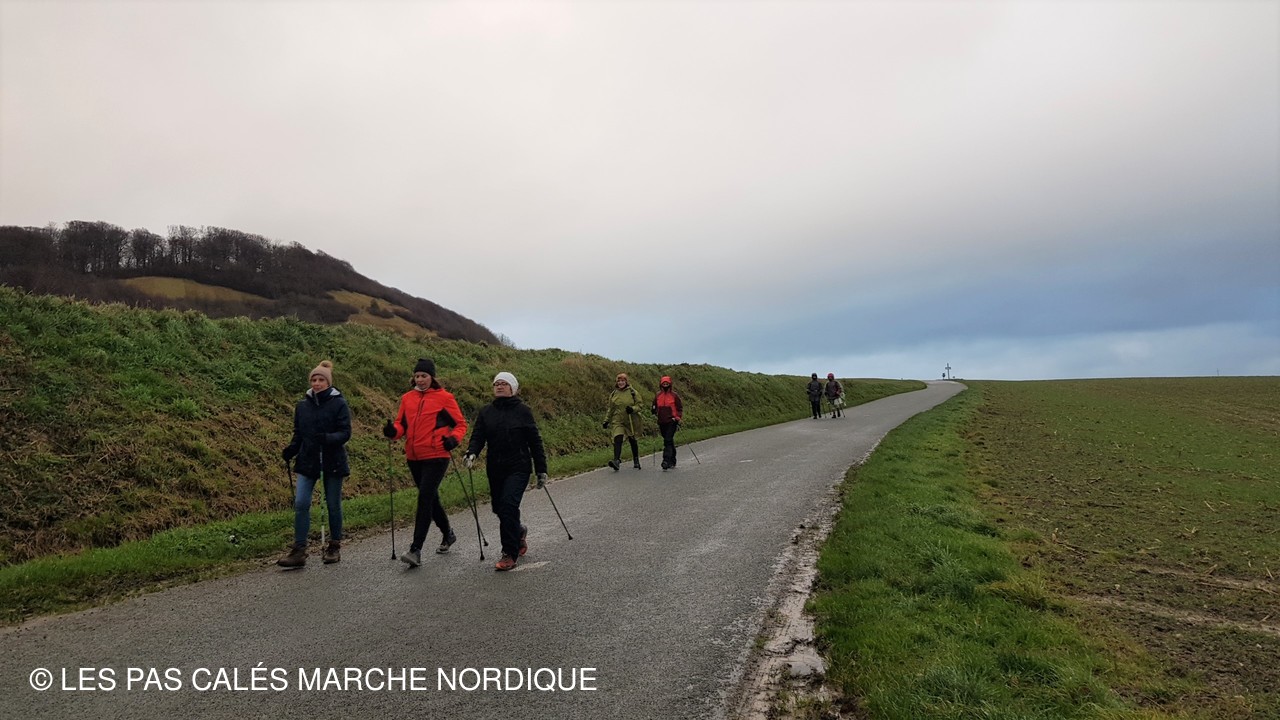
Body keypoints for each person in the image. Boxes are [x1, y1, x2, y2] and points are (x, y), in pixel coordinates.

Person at [383, 358, 468, 568]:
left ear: (432, 377)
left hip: (437, 455)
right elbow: (401, 425)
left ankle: (416, 549)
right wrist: (393, 431)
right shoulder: (407, 398)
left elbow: (460, 424)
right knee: (431, 498)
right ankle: (448, 534)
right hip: (414, 457)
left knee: (424, 498)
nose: (420, 380)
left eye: (424, 376)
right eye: (417, 376)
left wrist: (453, 439)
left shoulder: (444, 398)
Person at [463, 372, 548, 572]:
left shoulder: (523, 411)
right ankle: (518, 532)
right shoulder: (486, 412)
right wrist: (472, 453)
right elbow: (478, 436)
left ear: (513, 388)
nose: (499, 386)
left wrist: (541, 470)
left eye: (504, 384)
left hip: (519, 466)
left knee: (509, 505)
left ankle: (509, 553)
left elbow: (535, 441)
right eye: (496, 384)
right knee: (499, 509)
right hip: (496, 468)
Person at [278, 360, 351, 568]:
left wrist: (327, 438)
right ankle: (299, 550)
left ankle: (334, 546)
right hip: (307, 459)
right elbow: (299, 433)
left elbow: (345, 433)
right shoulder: (302, 406)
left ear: (328, 382)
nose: (317, 383)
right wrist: (292, 449)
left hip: (332, 460)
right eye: (313, 380)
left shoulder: (339, 404)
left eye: (321, 380)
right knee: (301, 503)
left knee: (333, 504)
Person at [603, 372, 645, 470]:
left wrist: (632, 409)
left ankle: (636, 460)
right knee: (617, 438)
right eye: (619, 381)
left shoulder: (633, 392)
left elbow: (640, 405)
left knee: (632, 440)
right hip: (618, 420)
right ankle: (616, 461)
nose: (621, 383)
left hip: (630, 420)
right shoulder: (614, 394)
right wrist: (606, 420)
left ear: (626, 382)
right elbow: (611, 408)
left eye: (623, 381)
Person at [651, 375, 683, 470]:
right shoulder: (658, 395)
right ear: (661, 384)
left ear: (670, 384)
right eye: (664, 383)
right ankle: (672, 460)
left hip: (672, 421)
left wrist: (677, 417)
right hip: (662, 421)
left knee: (667, 440)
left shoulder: (674, 395)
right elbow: (654, 406)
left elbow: (679, 408)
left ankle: (666, 460)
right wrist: (654, 411)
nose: (665, 385)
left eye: (667, 383)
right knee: (668, 440)